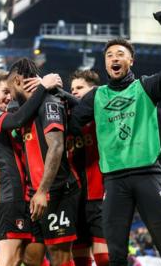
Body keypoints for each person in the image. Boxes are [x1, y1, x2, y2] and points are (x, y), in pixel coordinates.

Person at [70, 10, 161, 266]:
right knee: (116, 257)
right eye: (109, 55)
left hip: (147, 175)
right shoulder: (96, 97)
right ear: (105, 64)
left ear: (131, 61)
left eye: (120, 54)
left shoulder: (146, 87)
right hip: (114, 182)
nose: (114, 58)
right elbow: (70, 123)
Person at [0, 68, 61, 266]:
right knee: (10, 259)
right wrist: (43, 87)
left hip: (16, 194)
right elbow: (18, 118)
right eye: (5, 92)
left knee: (26, 256)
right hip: (7, 194)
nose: (9, 97)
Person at [7, 58, 79, 266]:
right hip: (34, 195)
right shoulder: (26, 110)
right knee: (31, 257)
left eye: (11, 87)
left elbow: (56, 147)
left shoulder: (49, 102)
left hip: (56, 192)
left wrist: (42, 191)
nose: (10, 95)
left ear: (19, 81)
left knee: (60, 256)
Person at [67, 70, 109, 266]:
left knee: (105, 256)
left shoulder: (103, 114)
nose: (74, 92)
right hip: (75, 198)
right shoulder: (67, 120)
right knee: (79, 253)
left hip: (98, 194)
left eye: (79, 88)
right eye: (72, 89)